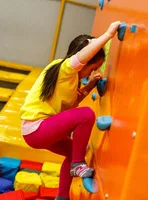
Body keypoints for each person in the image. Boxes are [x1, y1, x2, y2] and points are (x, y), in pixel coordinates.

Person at [19, 21, 121, 200]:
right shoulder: (66, 68)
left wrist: (89, 86)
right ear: (84, 63)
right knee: (87, 115)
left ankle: (62, 196)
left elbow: (71, 103)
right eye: (93, 68)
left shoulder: (68, 77)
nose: (93, 71)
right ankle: (77, 165)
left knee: (74, 150)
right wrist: (108, 35)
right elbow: (81, 58)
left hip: (35, 131)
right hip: (38, 128)